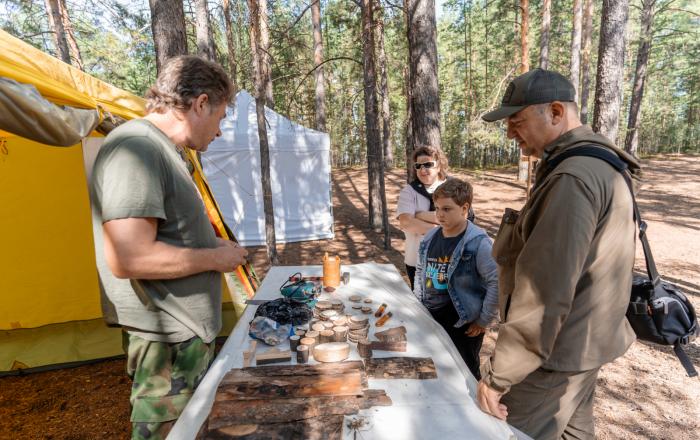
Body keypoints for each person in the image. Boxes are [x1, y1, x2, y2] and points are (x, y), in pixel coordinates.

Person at [476, 68, 640, 439]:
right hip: (583, 344)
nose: (509, 133)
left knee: (502, 432)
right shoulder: (595, 162)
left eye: (516, 121)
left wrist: (500, 376)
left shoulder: (573, 177)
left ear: (554, 112)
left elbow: (544, 291)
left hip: (554, 356)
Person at [91, 56, 248, 440]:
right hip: (167, 337)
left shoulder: (162, 151)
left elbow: (164, 233)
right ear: (199, 104)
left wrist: (209, 242)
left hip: (183, 332)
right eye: (221, 117)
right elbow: (130, 257)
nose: (220, 130)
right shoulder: (137, 148)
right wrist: (216, 257)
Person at [412, 179, 499, 380]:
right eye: (437, 208)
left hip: (463, 323)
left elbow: (496, 281)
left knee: (465, 371)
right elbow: (420, 270)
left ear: (464, 208)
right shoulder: (430, 237)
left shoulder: (478, 242)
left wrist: (483, 320)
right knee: (436, 368)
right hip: (432, 316)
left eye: (447, 209)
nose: (440, 214)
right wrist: (418, 304)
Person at [396, 146, 449, 289]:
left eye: (428, 164)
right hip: (416, 261)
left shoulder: (453, 188)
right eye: (418, 166)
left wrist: (419, 215)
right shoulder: (409, 191)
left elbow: (461, 219)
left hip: (448, 261)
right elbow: (406, 223)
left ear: (439, 166)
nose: (422, 169)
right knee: (420, 306)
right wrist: (444, 229)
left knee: (446, 305)